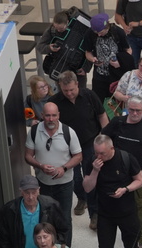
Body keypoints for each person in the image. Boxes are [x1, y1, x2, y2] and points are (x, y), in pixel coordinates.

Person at [102, 95, 142, 248]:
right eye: (132, 110)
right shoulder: (117, 123)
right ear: (127, 109)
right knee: (118, 205)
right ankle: (126, 236)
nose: (135, 113)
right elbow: (103, 138)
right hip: (119, 175)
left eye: (138, 110)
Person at [83, 134, 142, 248]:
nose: (99, 156)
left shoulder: (126, 158)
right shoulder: (92, 162)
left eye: (102, 153)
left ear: (112, 148)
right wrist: (95, 170)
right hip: (105, 213)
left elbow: (140, 180)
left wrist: (126, 189)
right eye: (97, 153)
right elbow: (87, 188)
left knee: (131, 247)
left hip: (127, 211)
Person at [51, 71, 107, 232]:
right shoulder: (55, 102)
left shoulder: (89, 96)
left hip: (90, 144)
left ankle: (95, 213)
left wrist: (106, 138)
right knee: (74, 178)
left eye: (71, 90)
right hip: (67, 148)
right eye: (65, 90)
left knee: (91, 177)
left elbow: (102, 115)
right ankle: (82, 197)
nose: (69, 93)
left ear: (77, 84)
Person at [23, 102, 81, 233]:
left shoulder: (68, 132)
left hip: (64, 184)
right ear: (42, 115)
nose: (51, 119)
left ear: (58, 115)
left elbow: (78, 156)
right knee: (45, 218)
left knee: (65, 218)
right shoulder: (34, 131)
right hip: (43, 184)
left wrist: (63, 168)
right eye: (47, 115)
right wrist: (40, 166)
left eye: (54, 115)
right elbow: (27, 156)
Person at [84, 13, 132, 102]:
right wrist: (92, 59)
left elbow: (129, 50)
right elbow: (88, 53)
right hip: (99, 75)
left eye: (101, 32)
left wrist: (120, 62)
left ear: (107, 27)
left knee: (115, 103)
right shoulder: (90, 33)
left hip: (116, 75)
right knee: (97, 102)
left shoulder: (118, 32)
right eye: (96, 33)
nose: (98, 35)